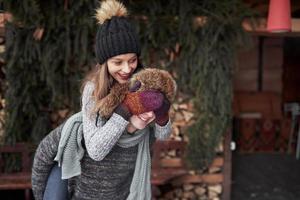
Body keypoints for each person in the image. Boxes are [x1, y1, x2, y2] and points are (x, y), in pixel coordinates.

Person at [31, 0, 173, 200]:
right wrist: (126, 109)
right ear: (104, 63)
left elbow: (163, 133)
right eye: (118, 62)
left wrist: (162, 112)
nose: (127, 69)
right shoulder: (93, 90)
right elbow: (96, 149)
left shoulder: (143, 83)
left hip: (118, 183)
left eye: (132, 60)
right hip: (73, 169)